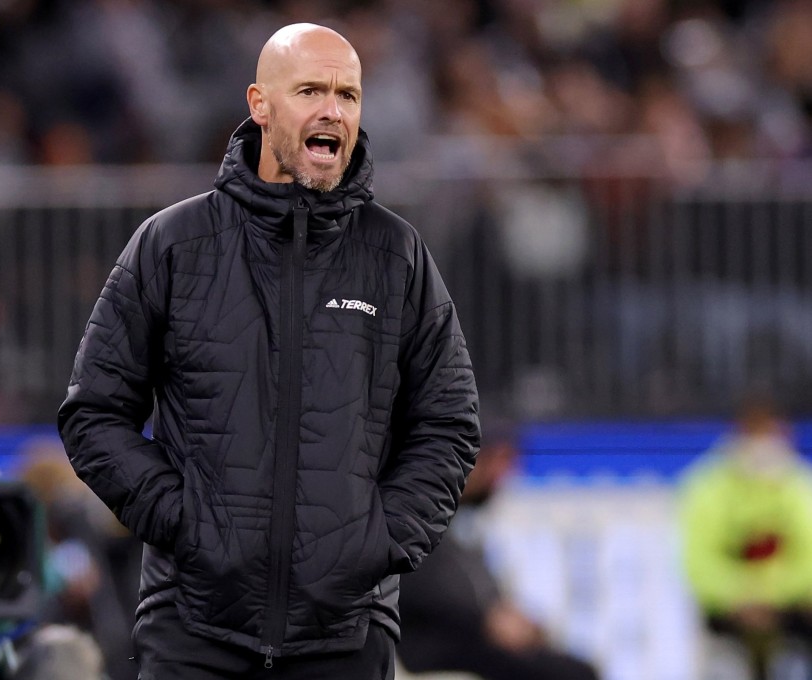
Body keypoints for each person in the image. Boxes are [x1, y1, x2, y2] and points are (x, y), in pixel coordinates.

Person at [58, 22, 480, 680]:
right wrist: (187, 523)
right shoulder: (172, 244)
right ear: (259, 105)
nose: (332, 111)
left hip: (344, 634)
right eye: (311, 90)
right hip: (193, 628)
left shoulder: (395, 255)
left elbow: (448, 423)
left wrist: (378, 538)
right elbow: (94, 414)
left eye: (348, 94)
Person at [397, 422, 600, 680]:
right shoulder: (420, 515)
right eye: (497, 464)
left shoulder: (459, 522)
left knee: (573, 668)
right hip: (437, 643)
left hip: (470, 637)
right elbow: (424, 587)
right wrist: (487, 620)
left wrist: (509, 617)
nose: (501, 477)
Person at [679, 395, 812, 680]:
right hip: (728, 615)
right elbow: (698, 562)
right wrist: (740, 597)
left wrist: (771, 597)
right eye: (755, 435)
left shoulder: (800, 485)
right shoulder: (707, 487)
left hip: (790, 612)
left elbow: (808, 559)